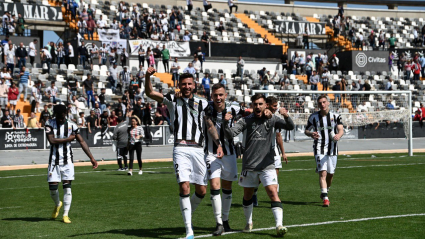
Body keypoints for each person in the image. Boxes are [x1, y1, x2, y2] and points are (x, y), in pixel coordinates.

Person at [145, 68, 223, 239]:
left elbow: (210, 125)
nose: (187, 87)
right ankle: (189, 230)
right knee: (184, 186)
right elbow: (149, 92)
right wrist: (147, 76)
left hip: (198, 149)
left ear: (194, 85)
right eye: (183, 84)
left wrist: (218, 144)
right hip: (180, 148)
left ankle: (187, 212)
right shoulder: (173, 99)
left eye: (189, 84)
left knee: (202, 191)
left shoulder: (202, 103)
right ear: (179, 85)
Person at [222, 93, 294, 236]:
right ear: (252, 105)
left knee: (273, 193)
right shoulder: (245, 121)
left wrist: (286, 116)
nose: (258, 107)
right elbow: (230, 134)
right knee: (248, 196)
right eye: (255, 104)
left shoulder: (272, 118)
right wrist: (225, 123)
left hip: (267, 165)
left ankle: (279, 225)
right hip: (249, 165)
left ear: (265, 105)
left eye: (260, 104)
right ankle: (249, 222)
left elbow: (290, 127)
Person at [45, 104, 98, 224]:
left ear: (65, 114)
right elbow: (52, 140)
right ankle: (58, 204)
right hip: (54, 161)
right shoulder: (49, 123)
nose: (60, 118)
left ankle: (65, 214)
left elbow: (82, 141)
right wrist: (68, 139)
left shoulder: (72, 125)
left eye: (62, 116)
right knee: (53, 189)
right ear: (55, 114)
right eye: (58, 116)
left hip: (67, 161)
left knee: (67, 188)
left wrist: (92, 158)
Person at [204, 83, 243, 235]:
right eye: (215, 95)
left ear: (225, 95)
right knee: (215, 185)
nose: (218, 98)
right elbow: (209, 126)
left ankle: (225, 221)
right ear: (211, 96)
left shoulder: (235, 108)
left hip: (230, 153)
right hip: (212, 152)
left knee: (227, 188)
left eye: (221, 95)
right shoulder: (207, 108)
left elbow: (248, 114)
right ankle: (218, 222)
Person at [304, 95, 344, 207]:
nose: (322, 104)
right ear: (318, 105)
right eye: (320, 103)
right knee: (323, 173)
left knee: (331, 174)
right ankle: (325, 198)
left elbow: (341, 129)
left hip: (333, 149)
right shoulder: (313, 117)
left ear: (328, 103)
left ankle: (326, 190)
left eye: (324, 102)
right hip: (319, 148)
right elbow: (306, 130)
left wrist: (338, 135)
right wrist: (311, 133)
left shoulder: (336, 116)